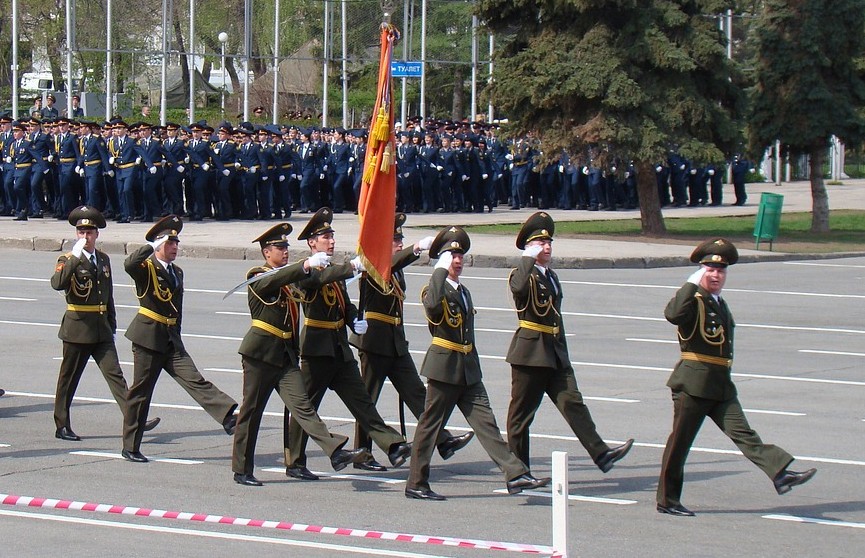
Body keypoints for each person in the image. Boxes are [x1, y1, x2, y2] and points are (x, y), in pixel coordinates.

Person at [656, 238, 817, 517]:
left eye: (721, 271)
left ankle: (779, 474)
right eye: (710, 270)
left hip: (720, 385)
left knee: (744, 433)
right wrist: (690, 284)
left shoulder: (719, 303)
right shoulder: (692, 300)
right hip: (693, 385)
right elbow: (672, 315)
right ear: (700, 272)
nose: (716, 275)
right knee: (679, 445)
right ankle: (667, 500)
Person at [405, 226, 551, 501]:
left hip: (468, 369)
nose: (457, 261)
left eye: (460, 256)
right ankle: (416, 482)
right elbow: (434, 307)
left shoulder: (463, 291)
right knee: (430, 426)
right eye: (452, 256)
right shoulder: (432, 289)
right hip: (444, 369)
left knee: (487, 425)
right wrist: (438, 270)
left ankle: (515, 473)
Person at [231, 223, 370, 486]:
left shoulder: (290, 277)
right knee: (251, 412)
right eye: (279, 248)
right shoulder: (257, 274)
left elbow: (314, 281)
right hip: (260, 356)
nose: (285, 252)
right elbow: (272, 281)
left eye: (286, 247)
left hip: (285, 355)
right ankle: (242, 468)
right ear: (266, 252)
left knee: (304, 408)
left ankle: (336, 451)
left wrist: (342, 270)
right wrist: (305, 265)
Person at [284, 207, 412, 481]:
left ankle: (392, 445)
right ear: (311, 243)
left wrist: (354, 319)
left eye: (332, 236)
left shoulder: (331, 268)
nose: (331, 241)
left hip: (339, 348)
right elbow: (318, 281)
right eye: (325, 237)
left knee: (362, 402)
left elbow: (344, 303)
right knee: (306, 408)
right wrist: (352, 266)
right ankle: (295, 460)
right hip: (317, 351)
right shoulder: (306, 270)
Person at [506, 212, 634, 471]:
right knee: (520, 417)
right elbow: (518, 289)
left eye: (549, 242)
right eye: (541, 243)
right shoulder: (522, 274)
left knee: (573, 403)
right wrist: (526, 259)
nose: (547, 247)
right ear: (530, 247)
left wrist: (563, 352)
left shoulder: (551, 276)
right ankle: (518, 471)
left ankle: (601, 454)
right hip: (530, 354)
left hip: (555, 353)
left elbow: (556, 317)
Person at [349, 214, 474, 471]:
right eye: (395, 240)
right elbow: (388, 266)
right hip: (374, 342)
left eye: (401, 240)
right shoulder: (372, 264)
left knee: (417, 393)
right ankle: (363, 454)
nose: (399, 243)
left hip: (395, 343)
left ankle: (443, 440)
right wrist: (416, 249)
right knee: (367, 400)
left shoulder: (394, 269)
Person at [121, 215, 239, 463]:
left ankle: (228, 416)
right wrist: (151, 246)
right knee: (141, 393)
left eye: (176, 242)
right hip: (148, 338)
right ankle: (130, 446)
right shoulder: (146, 268)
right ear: (159, 243)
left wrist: (178, 334)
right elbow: (129, 264)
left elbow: (178, 307)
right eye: (170, 242)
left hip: (171, 339)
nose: (175, 247)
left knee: (194, 379)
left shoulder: (177, 272)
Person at [50, 206, 161, 441]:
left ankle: (135, 419)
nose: (85, 236)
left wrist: (111, 322)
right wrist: (75, 256)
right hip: (77, 328)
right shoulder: (67, 259)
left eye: (89, 232)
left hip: (101, 328)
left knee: (116, 376)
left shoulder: (103, 259)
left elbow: (106, 293)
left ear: (97, 234)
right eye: (81, 232)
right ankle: (62, 425)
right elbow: (57, 283)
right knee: (68, 380)